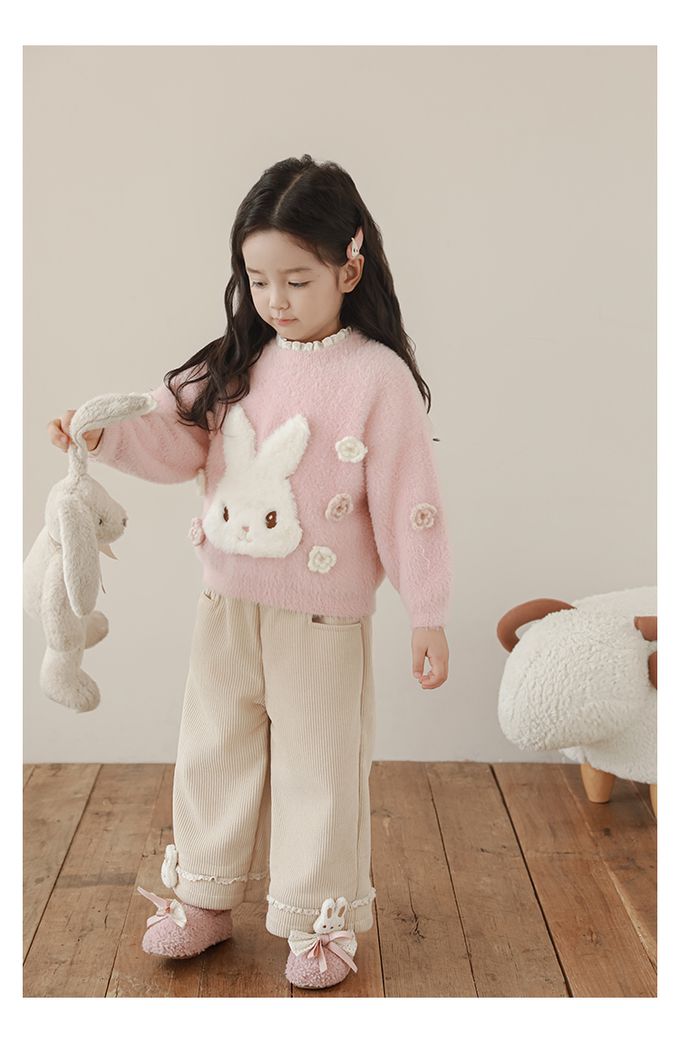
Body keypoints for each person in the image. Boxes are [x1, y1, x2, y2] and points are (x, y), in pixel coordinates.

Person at [47, 154, 452, 990]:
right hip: (225, 608)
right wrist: (103, 435)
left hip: (323, 623)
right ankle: (203, 893)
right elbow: (171, 436)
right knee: (211, 753)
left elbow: (408, 501)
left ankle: (318, 916)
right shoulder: (236, 361)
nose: (276, 300)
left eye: (297, 280)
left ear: (349, 267)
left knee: (320, 767)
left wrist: (427, 610)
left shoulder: (376, 379)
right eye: (258, 279)